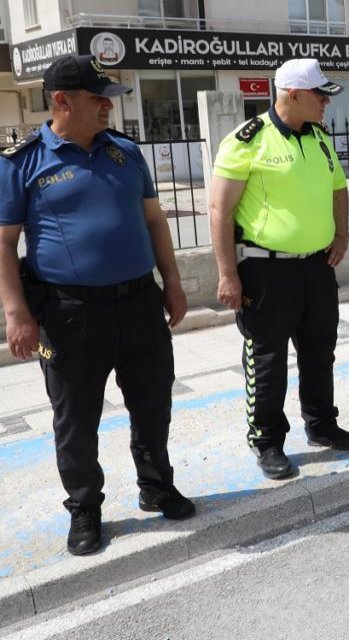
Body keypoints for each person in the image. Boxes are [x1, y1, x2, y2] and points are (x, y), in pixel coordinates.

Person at [0, 55, 193, 555]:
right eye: (97, 98)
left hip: (139, 304)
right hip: (68, 316)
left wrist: (171, 281)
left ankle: (155, 484)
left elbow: (154, 222)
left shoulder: (127, 154)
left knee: (153, 404)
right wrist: (16, 314)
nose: (108, 106)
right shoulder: (22, 163)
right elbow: (3, 244)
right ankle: (85, 507)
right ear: (61, 101)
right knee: (76, 420)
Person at [209, 58, 349, 481]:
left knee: (319, 351)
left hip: (316, 267)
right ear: (292, 94)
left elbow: (338, 189)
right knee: (268, 360)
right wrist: (227, 274)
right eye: (320, 95)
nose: (326, 103)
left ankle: (321, 424)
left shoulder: (319, 138)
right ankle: (267, 440)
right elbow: (220, 210)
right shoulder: (247, 141)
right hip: (265, 272)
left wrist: (342, 235)